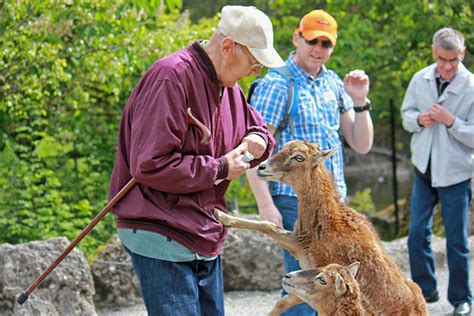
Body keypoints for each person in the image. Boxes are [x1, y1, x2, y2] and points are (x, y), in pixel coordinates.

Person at [108, 5, 283, 315]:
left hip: (204, 232)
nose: (257, 71)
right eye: (254, 62)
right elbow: (150, 164)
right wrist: (221, 168)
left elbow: (259, 130)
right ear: (228, 46)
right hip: (160, 227)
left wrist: (257, 138)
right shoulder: (170, 77)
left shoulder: (228, 87)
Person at [247, 9, 373, 315]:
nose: (318, 48)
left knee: (324, 285)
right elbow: (253, 150)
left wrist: (360, 101)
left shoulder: (333, 84)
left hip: (332, 206)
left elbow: (361, 143)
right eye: (312, 40)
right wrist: (266, 206)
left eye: (325, 43)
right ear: (297, 38)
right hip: (294, 203)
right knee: (305, 284)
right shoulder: (277, 84)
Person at [401, 27, 473, 316]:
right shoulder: (420, 79)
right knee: (416, 234)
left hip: (456, 174)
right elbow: (406, 117)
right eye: (443, 59)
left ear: (462, 54)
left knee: (457, 242)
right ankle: (425, 291)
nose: (447, 66)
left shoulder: (471, 86)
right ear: (434, 52)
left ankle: (461, 299)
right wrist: (419, 119)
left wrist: (451, 121)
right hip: (424, 168)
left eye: (453, 60)